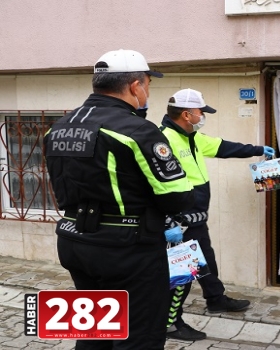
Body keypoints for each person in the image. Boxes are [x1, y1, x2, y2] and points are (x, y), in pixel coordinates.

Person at [44, 49, 194, 350]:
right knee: (139, 336)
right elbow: (177, 198)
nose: (148, 92)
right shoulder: (136, 130)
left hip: (75, 241)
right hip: (127, 250)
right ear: (136, 86)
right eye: (148, 85)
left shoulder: (57, 127)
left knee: (93, 332)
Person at [159, 88, 275, 341]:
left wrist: (257, 150)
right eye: (201, 112)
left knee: (206, 261)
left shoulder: (193, 137)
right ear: (186, 114)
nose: (203, 116)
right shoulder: (163, 140)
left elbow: (223, 147)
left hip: (196, 219)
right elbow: (153, 184)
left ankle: (216, 299)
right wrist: (169, 220)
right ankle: (170, 324)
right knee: (183, 275)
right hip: (178, 222)